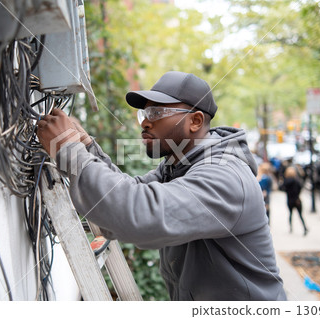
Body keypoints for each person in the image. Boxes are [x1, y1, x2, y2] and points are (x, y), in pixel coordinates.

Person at [37, 71, 286, 301]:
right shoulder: (177, 167)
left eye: (156, 113)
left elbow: (140, 216)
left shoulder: (224, 176)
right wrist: (87, 147)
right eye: (144, 114)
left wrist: (66, 149)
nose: (145, 122)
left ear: (196, 121)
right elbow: (130, 194)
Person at [280, 167, 308, 236]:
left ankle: (291, 228)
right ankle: (304, 227)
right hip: (297, 199)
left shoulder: (286, 181)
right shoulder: (296, 181)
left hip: (290, 200)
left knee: (290, 214)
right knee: (300, 215)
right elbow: (300, 188)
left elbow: (281, 188)